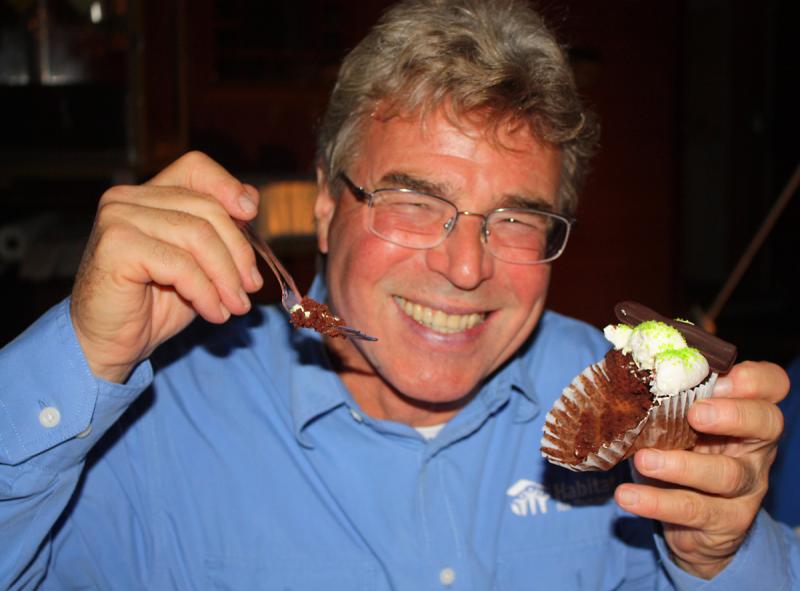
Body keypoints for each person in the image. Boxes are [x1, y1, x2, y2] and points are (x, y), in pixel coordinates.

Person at [1, 0, 797, 588]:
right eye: (414, 202)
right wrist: (81, 352)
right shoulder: (138, 416)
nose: (463, 267)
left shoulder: (629, 416)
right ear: (323, 203)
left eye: (515, 218)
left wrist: (721, 554)